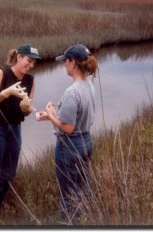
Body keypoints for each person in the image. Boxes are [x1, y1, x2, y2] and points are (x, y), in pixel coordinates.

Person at [37, 44, 99, 221]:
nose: (64, 64)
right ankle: (89, 218)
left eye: (66, 61)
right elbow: (75, 119)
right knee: (83, 185)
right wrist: (51, 116)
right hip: (85, 142)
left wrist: (50, 113)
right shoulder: (89, 85)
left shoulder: (72, 92)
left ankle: (69, 222)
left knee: (68, 192)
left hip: (70, 146)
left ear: (73, 63)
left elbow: (67, 128)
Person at [0, 43, 41, 209]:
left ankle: (1, 199)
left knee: (10, 169)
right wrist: (6, 92)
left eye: (34, 62)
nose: (31, 65)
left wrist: (26, 109)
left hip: (14, 128)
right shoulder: (2, 73)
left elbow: (28, 110)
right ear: (19, 56)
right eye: (28, 60)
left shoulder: (30, 80)